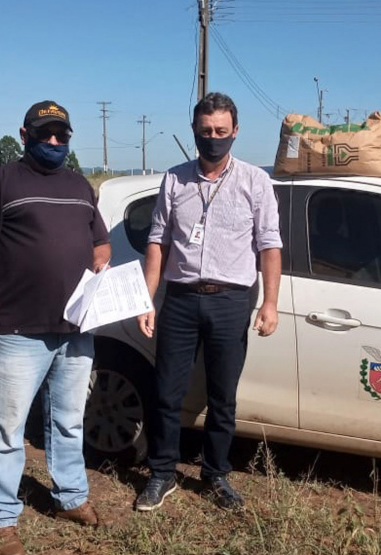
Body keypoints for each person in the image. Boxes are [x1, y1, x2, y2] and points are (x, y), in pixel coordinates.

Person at [0, 100, 111, 555]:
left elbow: (101, 246)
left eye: (61, 135)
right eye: (44, 134)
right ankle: (2, 520)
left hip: (76, 330)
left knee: (68, 420)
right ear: (25, 135)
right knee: (5, 428)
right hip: (17, 331)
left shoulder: (82, 186)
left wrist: (96, 276)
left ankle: (70, 498)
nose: (53, 142)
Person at [135, 92, 282, 512]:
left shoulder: (255, 181)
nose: (213, 139)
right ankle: (162, 473)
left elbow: (270, 245)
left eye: (220, 131)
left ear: (235, 131)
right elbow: (157, 242)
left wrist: (269, 303)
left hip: (231, 301)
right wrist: (148, 299)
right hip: (179, 300)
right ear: (194, 132)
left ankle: (216, 474)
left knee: (223, 397)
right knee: (166, 393)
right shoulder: (174, 180)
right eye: (205, 132)